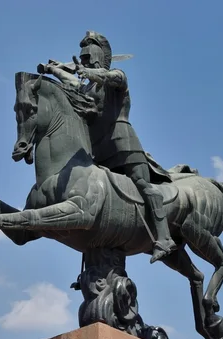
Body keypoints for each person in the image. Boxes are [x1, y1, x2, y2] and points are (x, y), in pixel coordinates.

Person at [42, 31, 176, 264]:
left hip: (124, 144)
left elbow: (110, 76)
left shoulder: (117, 77)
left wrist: (87, 72)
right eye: (82, 59)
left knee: (143, 185)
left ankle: (164, 238)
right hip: (99, 150)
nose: (84, 62)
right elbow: (73, 82)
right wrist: (54, 70)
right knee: (91, 196)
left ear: (100, 57)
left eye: (88, 58)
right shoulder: (87, 88)